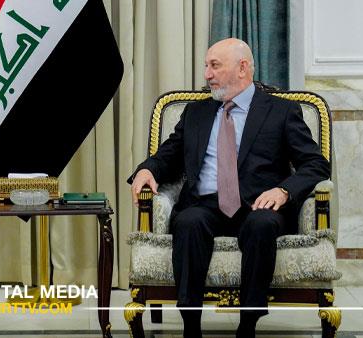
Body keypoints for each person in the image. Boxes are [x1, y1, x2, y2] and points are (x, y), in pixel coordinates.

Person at [129, 38, 330, 338]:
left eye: (214, 66)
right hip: (205, 204)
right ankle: (191, 327)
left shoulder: (282, 112)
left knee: (261, 225)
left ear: (242, 68)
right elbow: (168, 155)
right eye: (206, 66)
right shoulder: (195, 113)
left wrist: (284, 191)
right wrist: (147, 169)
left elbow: (315, 163)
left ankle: (247, 326)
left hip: (259, 205)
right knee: (188, 222)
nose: (207, 74)